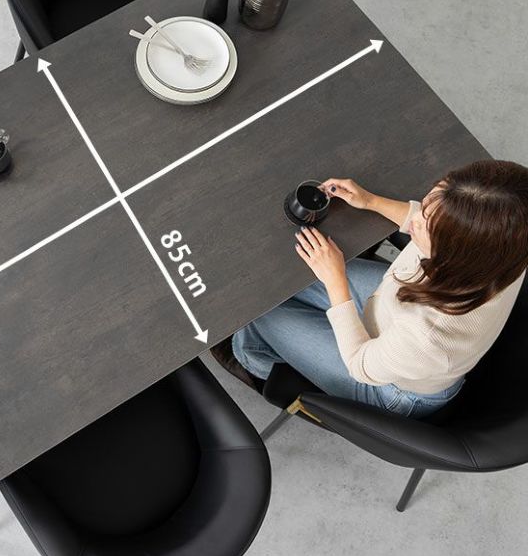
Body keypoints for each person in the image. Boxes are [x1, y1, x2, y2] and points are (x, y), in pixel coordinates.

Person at [213, 160, 528, 418]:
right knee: (286, 279)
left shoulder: (429, 336)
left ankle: (252, 359)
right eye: (428, 202)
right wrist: (370, 201)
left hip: (390, 387)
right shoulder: (506, 245)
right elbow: (432, 218)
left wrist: (335, 281)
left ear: (457, 253)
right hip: (394, 303)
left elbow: (360, 363)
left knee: (261, 309)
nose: (416, 218)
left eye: (426, 226)